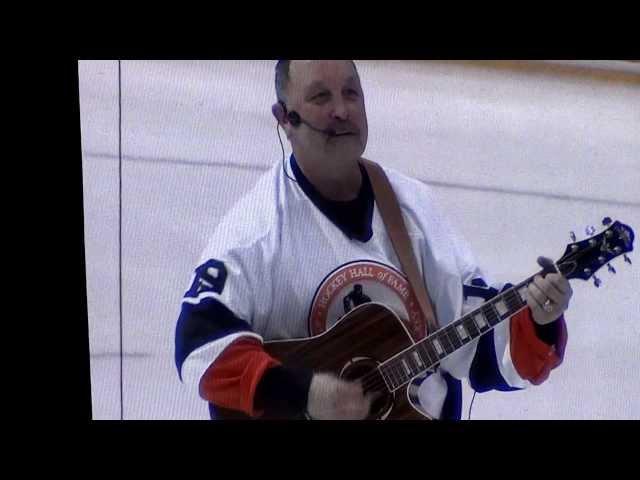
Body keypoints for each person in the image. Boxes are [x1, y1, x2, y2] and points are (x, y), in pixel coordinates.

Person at [174, 60, 573, 420]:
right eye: (320, 97)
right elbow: (198, 349)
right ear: (284, 118)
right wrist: (304, 392)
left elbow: (482, 350)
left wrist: (538, 323)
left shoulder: (412, 208)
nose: (342, 110)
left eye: (351, 93)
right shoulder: (256, 230)